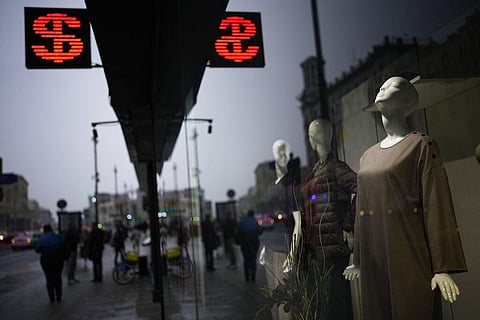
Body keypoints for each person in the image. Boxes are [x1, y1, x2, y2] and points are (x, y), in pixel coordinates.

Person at [343, 76, 467, 319]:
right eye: (382, 85)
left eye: (393, 86)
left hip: (408, 253)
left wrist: (442, 267)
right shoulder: (368, 156)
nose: (382, 87)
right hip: (375, 259)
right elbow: (361, 210)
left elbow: (437, 203)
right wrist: (358, 258)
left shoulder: (421, 145)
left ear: (407, 100)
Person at [284, 119, 357, 320]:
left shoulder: (335, 167)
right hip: (316, 252)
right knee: (324, 306)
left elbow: (361, 189)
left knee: (337, 306)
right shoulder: (316, 171)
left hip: (332, 251)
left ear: (311, 138)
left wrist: (349, 227)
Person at [35, 224, 66, 303]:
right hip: (58, 259)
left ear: (44, 230)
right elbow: (64, 245)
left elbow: (37, 249)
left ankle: (51, 298)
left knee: (49, 278)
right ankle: (59, 296)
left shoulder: (42, 238)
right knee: (58, 277)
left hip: (46, 260)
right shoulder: (58, 236)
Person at [237, 210, 263, 282]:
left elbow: (238, 232)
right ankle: (253, 276)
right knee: (253, 259)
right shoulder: (255, 221)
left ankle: (247, 277)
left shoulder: (243, 221)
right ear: (253, 214)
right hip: (254, 243)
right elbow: (260, 231)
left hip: (245, 243)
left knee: (246, 259)